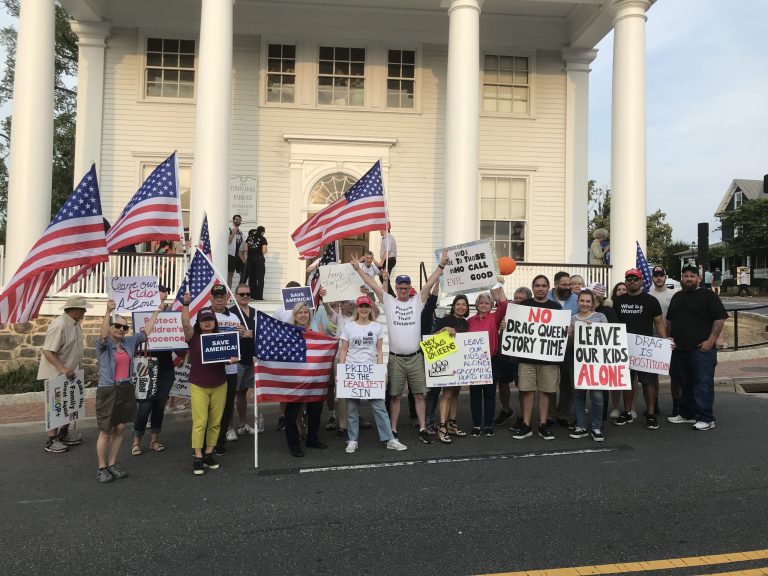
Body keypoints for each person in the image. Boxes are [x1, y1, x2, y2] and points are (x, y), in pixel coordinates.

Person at [351, 251, 448, 444]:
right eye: (400, 287)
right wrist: (357, 269)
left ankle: (422, 428)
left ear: (410, 287)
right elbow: (372, 283)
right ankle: (393, 429)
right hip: (395, 358)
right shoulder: (389, 301)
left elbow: (429, 284)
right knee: (395, 396)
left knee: (420, 395)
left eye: (406, 287)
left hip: (415, 357)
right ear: (396, 288)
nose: (403, 289)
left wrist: (442, 265)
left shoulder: (417, 301)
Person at [95, 299, 161, 483]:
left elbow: (145, 333)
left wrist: (157, 311)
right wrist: (108, 310)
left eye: (125, 327)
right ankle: (102, 468)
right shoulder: (104, 345)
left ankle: (113, 464)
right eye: (117, 326)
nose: (121, 329)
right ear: (110, 327)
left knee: (121, 428)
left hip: (126, 388)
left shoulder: (129, 342)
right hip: (108, 389)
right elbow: (101, 336)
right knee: (106, 431)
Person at [339, 295, 408, 453]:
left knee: (379, 407)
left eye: (366, 306)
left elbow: (378, 351)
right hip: (352, 371)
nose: (363, 309)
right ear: (357, 308)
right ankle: (352, 440)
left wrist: (380, 370)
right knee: (352, 408)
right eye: (361, 306)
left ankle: (389, 438)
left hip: (370, 372)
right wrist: (341, 372)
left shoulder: (376, 327)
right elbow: (343, 350)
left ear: (371, 308)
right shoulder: (349, 327)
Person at [667, 262, 728, 430]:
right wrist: (668, 338)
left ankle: (706, 418)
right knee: (684, 383)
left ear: (699, 279)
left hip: (701, 350)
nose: (688, 279)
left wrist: (711, 341)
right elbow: (670, 320)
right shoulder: (677, 296)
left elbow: (720, 318)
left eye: (692, 276)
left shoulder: (708, 296)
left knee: (702, 384)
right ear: (682, 278)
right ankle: (687, 414)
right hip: (680, 349)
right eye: (685, 276)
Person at [180, 300, 238, 475]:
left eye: (210, 319)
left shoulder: (223, 339)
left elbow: (230, 355)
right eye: (203, 320)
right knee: (200, 421)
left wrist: (232, 360)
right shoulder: (193, 338)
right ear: (199, 322)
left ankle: (208, 454)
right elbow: (184, 323)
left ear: (215, 322)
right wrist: (185, 305)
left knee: (215, 422)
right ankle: (197, 456)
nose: (207, 322)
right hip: (199, 384)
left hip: (220, 383)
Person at [613, 268, 667, 430]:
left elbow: (658, 322)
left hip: (646, 348)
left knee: (648, 382)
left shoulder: (650, 301)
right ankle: (627, 411)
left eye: (635, 279)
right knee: (627, 382)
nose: (632, 282)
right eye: (629, 279)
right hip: (624, 347)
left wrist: (664, 342)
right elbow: (613, 324)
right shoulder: (619, 301)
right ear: (626, 281)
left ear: (641, 280)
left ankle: (650, 414)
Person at [512, 275, 562, 441]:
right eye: (537, 286)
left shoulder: (555, 307)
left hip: (548, 360)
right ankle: (526, 425)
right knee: (527, 392)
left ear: (548, 288)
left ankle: (542, 425)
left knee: (545, 392)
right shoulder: (524, 306)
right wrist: (506, 326)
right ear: (532, 288)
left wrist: (566, 332)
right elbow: (515, 328)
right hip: (526, 360)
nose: (540, 289)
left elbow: (559, 332)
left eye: (543, 286)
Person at [39, 295, 90, 453]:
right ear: (73, 309)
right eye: (82, 308)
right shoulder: (59, 324)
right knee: (56, 406)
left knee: (70, 404)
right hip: (58, 373)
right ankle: (51, 440)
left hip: (70, 373)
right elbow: (47, 351)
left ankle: (63, 433)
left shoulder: (74, 323)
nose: (85, 311)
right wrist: (62, 368)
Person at [131, 285, 175, 455]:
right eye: (158, 297)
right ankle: (136, 441)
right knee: (144, 405)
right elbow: (136, 341)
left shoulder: (172, 316)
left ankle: (154, 440)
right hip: (146, 366)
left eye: (163, 298)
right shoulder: (143, 315)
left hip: (165, 368)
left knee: (159, 405)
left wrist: (181, 348)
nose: (161, 301)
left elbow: (179, 345)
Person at [284, 302, 328, 457]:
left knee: (315, 410)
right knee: (292, 412)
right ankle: (293, 444)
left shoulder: (316, 331)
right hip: (295, 379)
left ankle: (312, 438)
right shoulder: (288, 332)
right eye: (299, 313)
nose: (303, 315)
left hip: (314, 378)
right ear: (295, 316)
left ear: (310, 315)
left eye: (305, 312)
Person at [467, 281, 508, 437]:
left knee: (490, 394)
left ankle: (489, 425)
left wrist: (497, 284)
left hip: (491, 361)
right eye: (481, 302)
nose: (484, 305)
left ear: (491, 305)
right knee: (475, 395)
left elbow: (503, 304)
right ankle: (477, 424)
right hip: (474, 363)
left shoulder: (494, 317)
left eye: (487, 303)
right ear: (477, 305)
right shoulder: (469, 321)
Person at [209, 284, 246, 455]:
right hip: (211, 369)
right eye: (216, 297)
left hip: (230, 369)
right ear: (211, 298)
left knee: (226, 406)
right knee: (210, 407)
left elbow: (238, 341)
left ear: (226, 299)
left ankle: (220, 441)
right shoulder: (204, 316)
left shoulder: (234, 318)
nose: (219, 300)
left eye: (222, 297)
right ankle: (208, 441)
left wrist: (242, 333)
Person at [567, 289, 608, 441]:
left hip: (596, 363)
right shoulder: (571, 319)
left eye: (588, 301)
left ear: (593, 303)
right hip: (576, 361)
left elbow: (609, 339)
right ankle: (582, 426)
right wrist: (570, 335)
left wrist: (596, 330)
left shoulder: (600, 317)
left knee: (597, 395)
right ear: (577, 302)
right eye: (582, 301)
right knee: (578, 394)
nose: (585, 304)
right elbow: (568, 345)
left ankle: (597, 427)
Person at [432, 295, 470, 444]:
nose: (461, 307)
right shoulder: (445, 320)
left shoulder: (465, 323)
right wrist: (443, 330)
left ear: (467, 308)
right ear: (453, 306)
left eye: (464, 305)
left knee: (455, 393)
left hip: (459, 363)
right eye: (458, 304)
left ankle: (452, 423)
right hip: (447, 362)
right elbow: (430, 337)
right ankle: (442, 427)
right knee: (447, 394)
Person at [548, 271, 578, 427]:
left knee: (567, 383)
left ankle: (563, 414)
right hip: (549, 347)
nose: (568, 287)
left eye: (569, 284)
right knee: (550, 382)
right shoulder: (546, 297)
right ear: (556, 284)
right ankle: (550, 415)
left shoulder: (576, 299)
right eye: (564, 284)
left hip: (569, 348)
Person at [501, 286, 531, 433]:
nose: (518, 301)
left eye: (521, 299)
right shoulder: (508, 310)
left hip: (521, 358)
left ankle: (522, 416)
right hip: (506, 355)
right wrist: (502, 326)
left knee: (522, 387)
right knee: (503, 382)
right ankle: (506, 410)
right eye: (516, 298)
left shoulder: (532, 313)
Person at [230, 284, 257, 436]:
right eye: (242, 294)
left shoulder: (255, 313)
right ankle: (228, 428)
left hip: (250, 359)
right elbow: (225, 335)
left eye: (247, 294)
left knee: (242, 394)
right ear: (236, 295)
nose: (245, 296)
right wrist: (241, 335)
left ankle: (242, 424)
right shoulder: (231, 313)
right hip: (236, 360)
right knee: (230, 394)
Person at [244, 226, 268, 300]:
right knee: (260, 278)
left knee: (252, 278)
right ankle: (259, 296)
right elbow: (264, 251)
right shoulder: (263, 239)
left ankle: (252, 295)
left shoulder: (249, 237)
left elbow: (245, 249)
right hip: (259, 259)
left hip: (250, 260)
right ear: (262, 232)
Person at [227, 214, 244, 288]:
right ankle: (228, 293)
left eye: (239, 220)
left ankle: (240, 292)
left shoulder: (241, 232)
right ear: (233, 220)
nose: (238, 221)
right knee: (230, 274)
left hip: (239, 256)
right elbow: (228, 241)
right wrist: (233, 232)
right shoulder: (229, 229)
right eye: (236, 219)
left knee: (243, 274)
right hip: (231, 255)